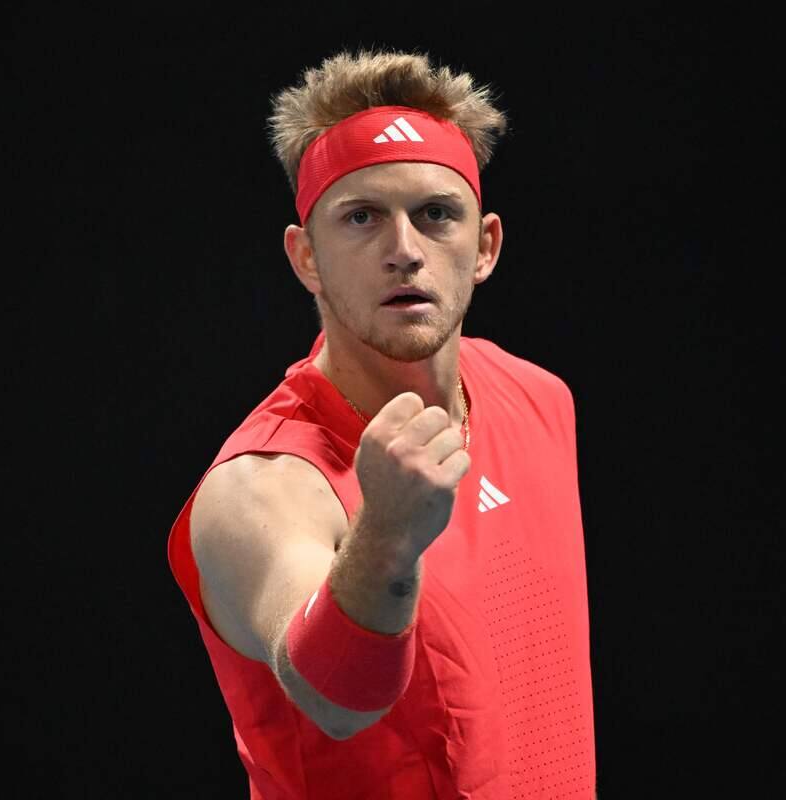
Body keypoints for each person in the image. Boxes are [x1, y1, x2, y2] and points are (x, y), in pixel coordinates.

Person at [167, 49, 596, 799]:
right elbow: (335, 699)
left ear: (485, 246)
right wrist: (389, 536)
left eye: (435, 214)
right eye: (362, 218)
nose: (404, 251)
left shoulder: (539, 400)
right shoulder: (260, 489)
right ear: (306, 258)